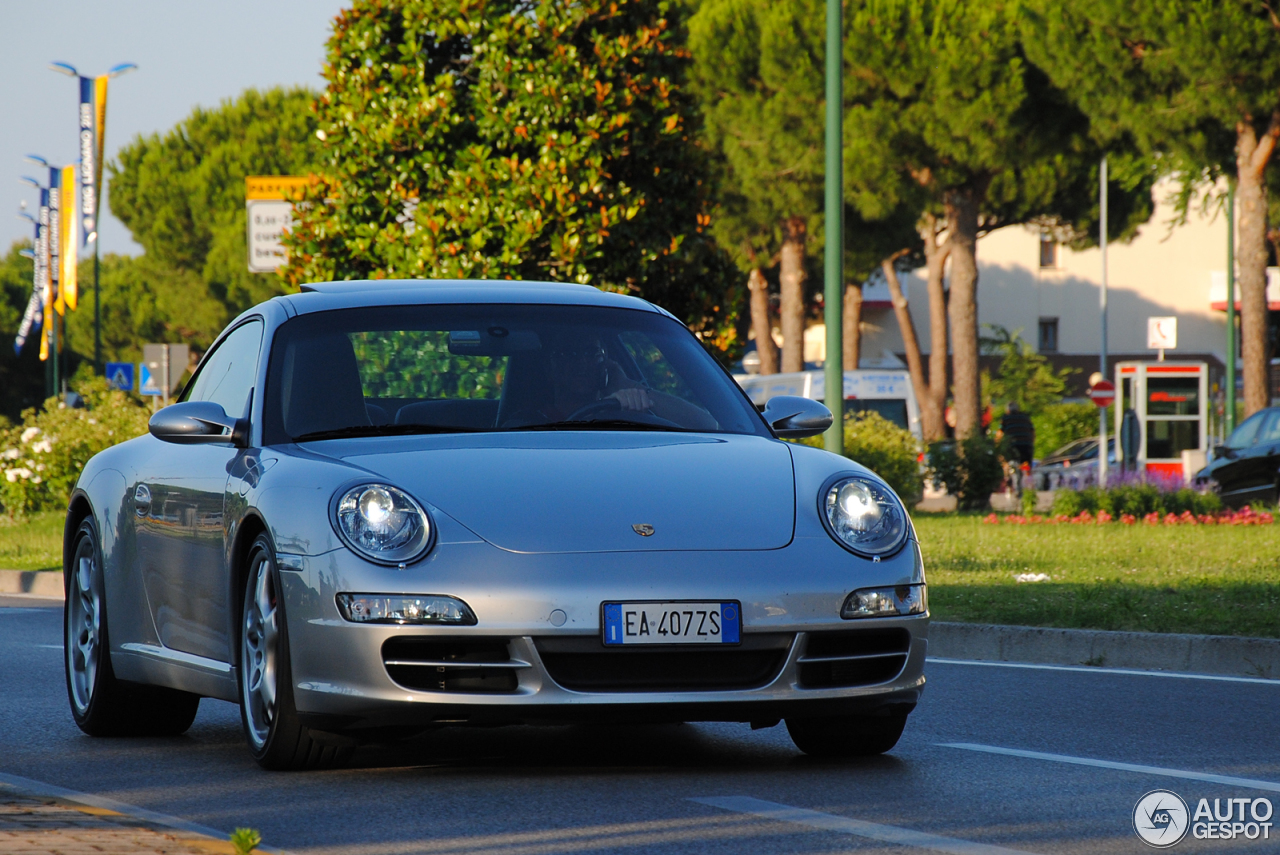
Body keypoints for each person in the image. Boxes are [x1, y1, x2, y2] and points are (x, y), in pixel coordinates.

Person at [504, 330, 718, 430]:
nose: (582, 363)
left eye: (591, 352)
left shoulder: (626, 417)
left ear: (606, 362)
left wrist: (630, 388)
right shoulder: (527, 422)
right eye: (567, 354)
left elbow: (708, 425)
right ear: (548, 368)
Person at [1000, 401, 1035, 467]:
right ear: (1018, 409)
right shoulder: (1025, 417)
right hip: (1027, 446)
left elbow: (1000, 433)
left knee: (1009, 464)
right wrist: (1031, 443)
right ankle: (1026, 474)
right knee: (1026, 466)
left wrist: (998, 445)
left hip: (1013, 446)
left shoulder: (1005, 418)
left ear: (1007, 410)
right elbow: (1032, 432)